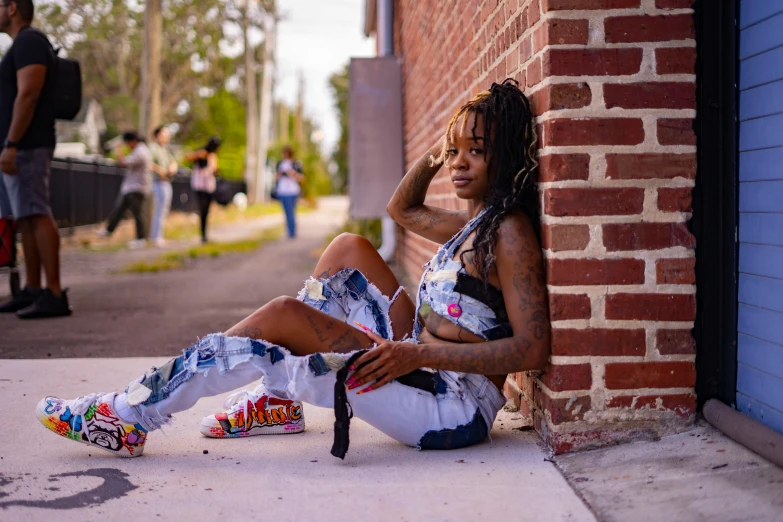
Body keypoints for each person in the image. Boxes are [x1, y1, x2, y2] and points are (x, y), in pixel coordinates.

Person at [35, 79, 550, 459]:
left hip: (451, 405)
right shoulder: (472, 223)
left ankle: (131, 413)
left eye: (476, 153)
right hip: (421, 359)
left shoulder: (507, 233)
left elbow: (533, 349)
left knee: (283, 317)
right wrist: (443, 149)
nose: (460, 163)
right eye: (456, 151)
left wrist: (418, 352)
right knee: (349, 247)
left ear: (502, 156)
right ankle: (275, 403)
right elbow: (403, 210)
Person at [0, 0, 71, 319]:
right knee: (26, 216)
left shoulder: (29, 41)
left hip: (28, 144)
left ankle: (54, 292)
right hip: (21, 144)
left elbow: (28, 93)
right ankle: (33, 289)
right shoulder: (23, 44)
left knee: (37, 212)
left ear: (11, 7)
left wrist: (12, 142)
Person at [96, 131, 152, 249]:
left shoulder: (140, 152)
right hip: (131, 188)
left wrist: (118, 150)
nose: (127, 145)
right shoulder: (140, 150)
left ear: (132, 141)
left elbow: (123, 163)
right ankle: (108, 231)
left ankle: (140, 239)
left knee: (138, 214)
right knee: (119, 210)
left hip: (137, 188)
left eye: (127, 143)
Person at [185, 136, 220, 243]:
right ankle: (203, 235)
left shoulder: (213, 156)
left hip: (209, 187)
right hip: (200, 186)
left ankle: (205, 235)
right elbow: (187, 157)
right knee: (202, 210)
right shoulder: (201, 153)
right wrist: (199, 155)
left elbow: (215, 171)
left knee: (206, 212)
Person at [148, 125, 177, 247]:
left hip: (166, 182)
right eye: (164, 135)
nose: (166, 137)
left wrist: (172, 167)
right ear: (157, 135)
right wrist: (161, 171)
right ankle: (156, 237)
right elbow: (149, 163)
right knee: (159, 210)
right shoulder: (153, 148)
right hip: (158, 182)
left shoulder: (164, 149)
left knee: (163, 210)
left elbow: (173, 162)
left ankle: (158, 235)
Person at [275, 145, 304, 239]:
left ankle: (292, 231)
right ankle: (289, 231)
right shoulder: (280, 164)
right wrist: (280, 173)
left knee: (291, 211)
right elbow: (276, 177)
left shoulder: (296, 164)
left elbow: (302, 178)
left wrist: (292, 173)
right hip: (283, 191)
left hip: (293, 191)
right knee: (286, 212)